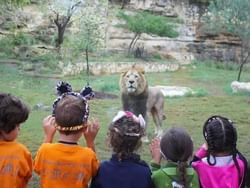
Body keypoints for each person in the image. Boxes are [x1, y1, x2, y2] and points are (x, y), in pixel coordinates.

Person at [34, 82, 100, 188]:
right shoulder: (88, 155)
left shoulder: (45, 150)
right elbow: (95, 172)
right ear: (84, 127)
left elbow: (38, 168)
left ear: (54, 123)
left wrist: (48, 136)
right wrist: (90, 141)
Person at [90, 110, 154, 188]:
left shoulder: (102, 169)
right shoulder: (144, 172)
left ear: (111, 139)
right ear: (138, 142)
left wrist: (90, 141)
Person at [192, 115, 248, 188]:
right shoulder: (240, 164)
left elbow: (192, 164)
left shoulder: (198, 166)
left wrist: (202, 151)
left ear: (209, 142)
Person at [0, 93, 32, 188]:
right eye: (17, 125)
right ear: (4, 129)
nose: (19, 129)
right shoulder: (20, 151)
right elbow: (27, 175)